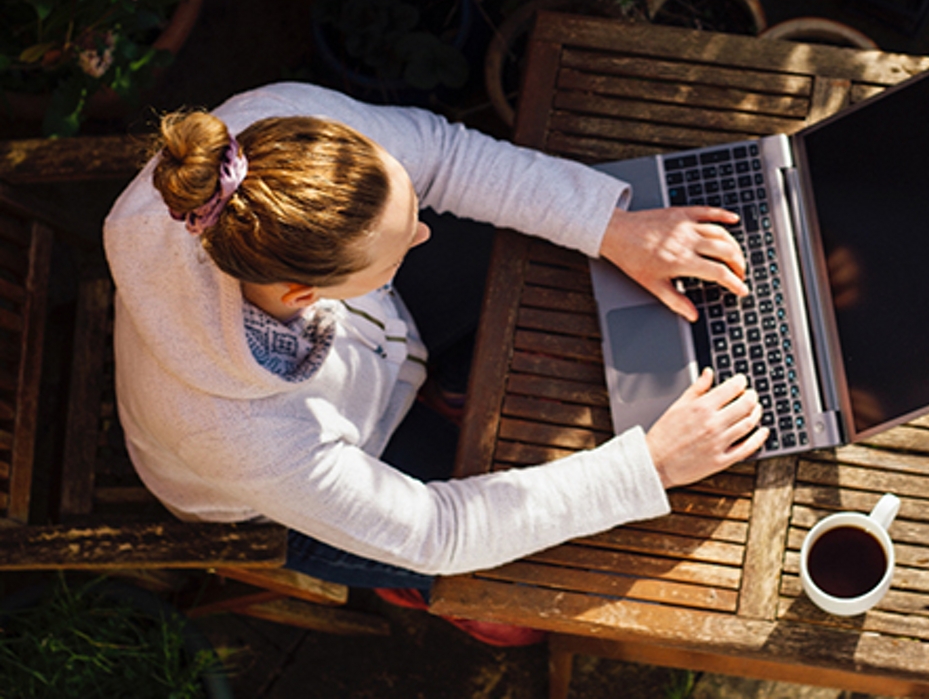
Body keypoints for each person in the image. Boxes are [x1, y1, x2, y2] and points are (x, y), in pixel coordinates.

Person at [105, 82, 769, 639]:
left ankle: (440, 381)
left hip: (366, 349)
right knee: (519, 610)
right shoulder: (245, 438)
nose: (424, 233)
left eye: (411, 210)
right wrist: (647, 468)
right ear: (304, 294)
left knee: (512, 241)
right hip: (281, 488)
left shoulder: (275, 140)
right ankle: (403, 581)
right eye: (399, 247)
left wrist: (611, 228)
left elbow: (447, 158)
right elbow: (436, 529)